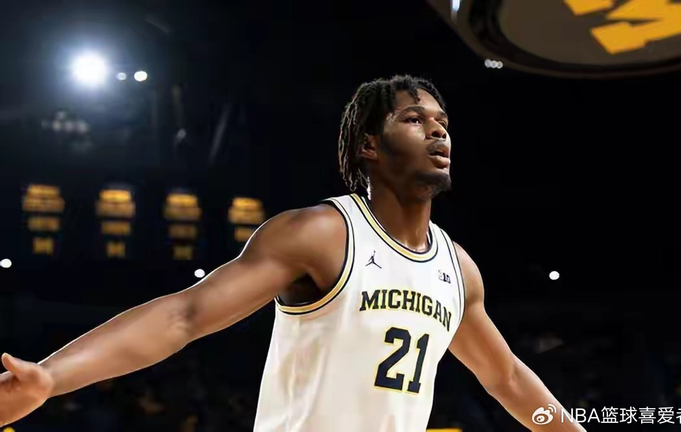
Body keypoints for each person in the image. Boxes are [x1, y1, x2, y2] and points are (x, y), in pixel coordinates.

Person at [0, 75, 584, 431]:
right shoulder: (320, 232)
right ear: (370, 146)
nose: (438, 131)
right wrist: (50, 377)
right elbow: (184, 315)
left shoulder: (458, 268)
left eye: (442, 122)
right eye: (414, 119)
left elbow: (507, 377)